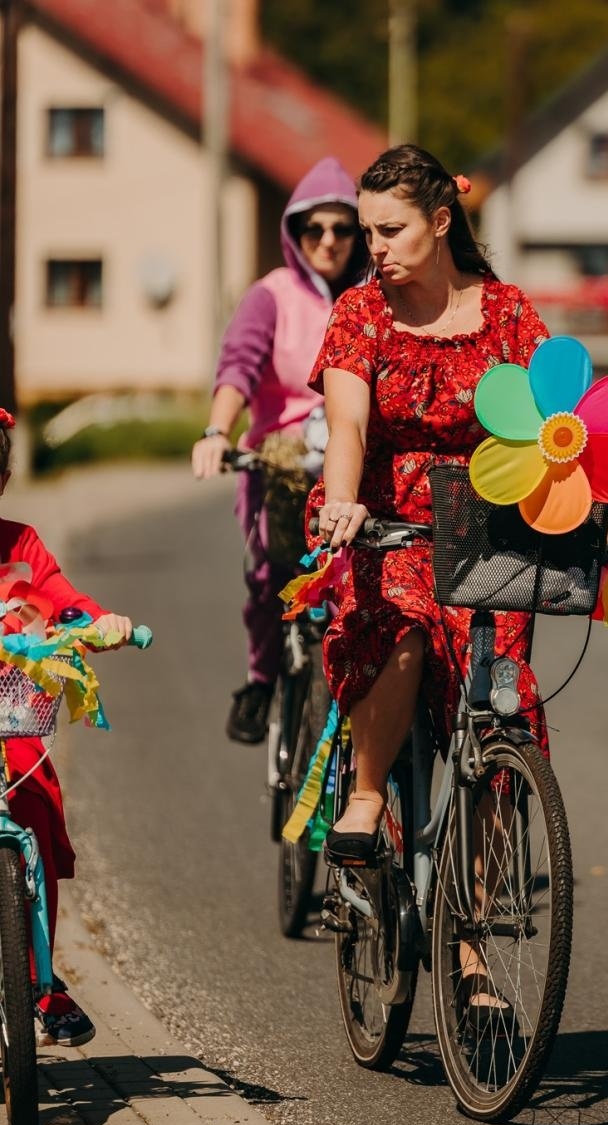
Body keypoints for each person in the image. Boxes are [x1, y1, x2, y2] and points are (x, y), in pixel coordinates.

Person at [307, 144, 608, 1009]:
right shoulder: (359, 313)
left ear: (440, 220)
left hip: (492, 533)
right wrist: (341, 502)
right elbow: (348, 426)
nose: (374, 247)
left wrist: (602, 508)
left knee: (504, 711)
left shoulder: (508, 313)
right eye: (368, 232)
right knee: (404, 628)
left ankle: (473, 947)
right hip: (386, 525)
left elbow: (562, 424)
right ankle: (367, 800)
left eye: (390, 230)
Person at [191, 157, 368, 744]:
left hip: (350, 464)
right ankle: (262, 679)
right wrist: (217, 433)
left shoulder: (371, 299)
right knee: (271, 579)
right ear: (294, 231)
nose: (328, 241)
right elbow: (237, 368)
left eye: (343, 228)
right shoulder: (272, 295)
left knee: (362, 584)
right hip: (279, 464)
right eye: (314, 228)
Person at [0, 409, 133, 1046]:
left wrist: (98, 621)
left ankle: (40, 981)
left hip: (7, 711)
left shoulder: (20, 547)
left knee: (33, 800)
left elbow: (61, 599)